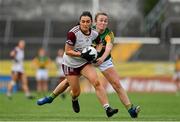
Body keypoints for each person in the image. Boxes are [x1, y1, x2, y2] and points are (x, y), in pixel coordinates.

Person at [37, 11, 118, 117]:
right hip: (70, 64)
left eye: (87, 21)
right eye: (83, 21)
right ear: (79, 22)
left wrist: (96, 53)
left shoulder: (94, 33)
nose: (85, 24)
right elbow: (67, 51)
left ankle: (107, 108)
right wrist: (82, 54)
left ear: (91, 22)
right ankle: (60, 98)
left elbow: (99, 43)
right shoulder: (73, 33)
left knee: (96, 82)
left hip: (84, 63)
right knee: (75, 91)